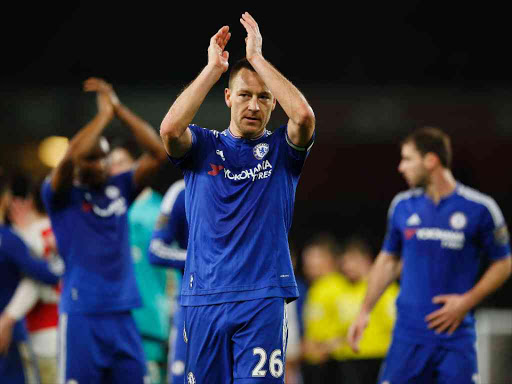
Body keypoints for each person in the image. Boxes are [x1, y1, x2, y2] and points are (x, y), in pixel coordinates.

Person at [159, 12, 315, 383]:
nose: (254, 106)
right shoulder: (204, 146)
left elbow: (305, 117)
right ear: (229, 97)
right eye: (245, 95)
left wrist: (258, 59)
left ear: (273, 103)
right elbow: (169, 129)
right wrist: (214, 69)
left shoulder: (282, 151)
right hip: (204, 298)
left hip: (262, 297)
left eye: (264, 98)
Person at [348, 127, 512, 384]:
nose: (401, 167)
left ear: (431, 160)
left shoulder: (480, 208)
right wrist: (365, 311)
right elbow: (388, 261)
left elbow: (503, 264)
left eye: (407, 159)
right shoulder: (402, 206)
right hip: (408, 336)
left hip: (455, 337)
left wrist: (466, 302)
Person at [41, 77, 167, 384]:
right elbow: (71, 154)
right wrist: (102, 117)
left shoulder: (119, 187)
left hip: (123, 314)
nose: (100, 164)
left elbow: (157, 153)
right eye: (92, 158)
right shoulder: (59, 194)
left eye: (104, 157)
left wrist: (118, 109)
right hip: (82, 313)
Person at [109, 142, 169, 384]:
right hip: (111, 323)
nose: (115, 171)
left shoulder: (160, 210)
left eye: (121, 163)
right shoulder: (107, 212)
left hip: (148, 323)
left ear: (138, 166)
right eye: (110, 165)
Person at [0, 173, 61, 384]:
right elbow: (46, 275)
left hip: (45, 328)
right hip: (27, 332)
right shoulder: (13, 236)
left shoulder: (36, 233)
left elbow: (41, 279)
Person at [336, 236, 398, 384]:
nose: (348, 266)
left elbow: (395, 326)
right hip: (348, 359)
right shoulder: (340, 289)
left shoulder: (386, 290)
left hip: (379, 356)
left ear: (367, 260)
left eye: (353, 261)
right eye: (345, 261)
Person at [147, 178, 188, 384]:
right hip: (192, 304)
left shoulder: (250, 182)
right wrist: (204, 260)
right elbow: (155, 250)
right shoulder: (181, 191)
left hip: (242, 301)